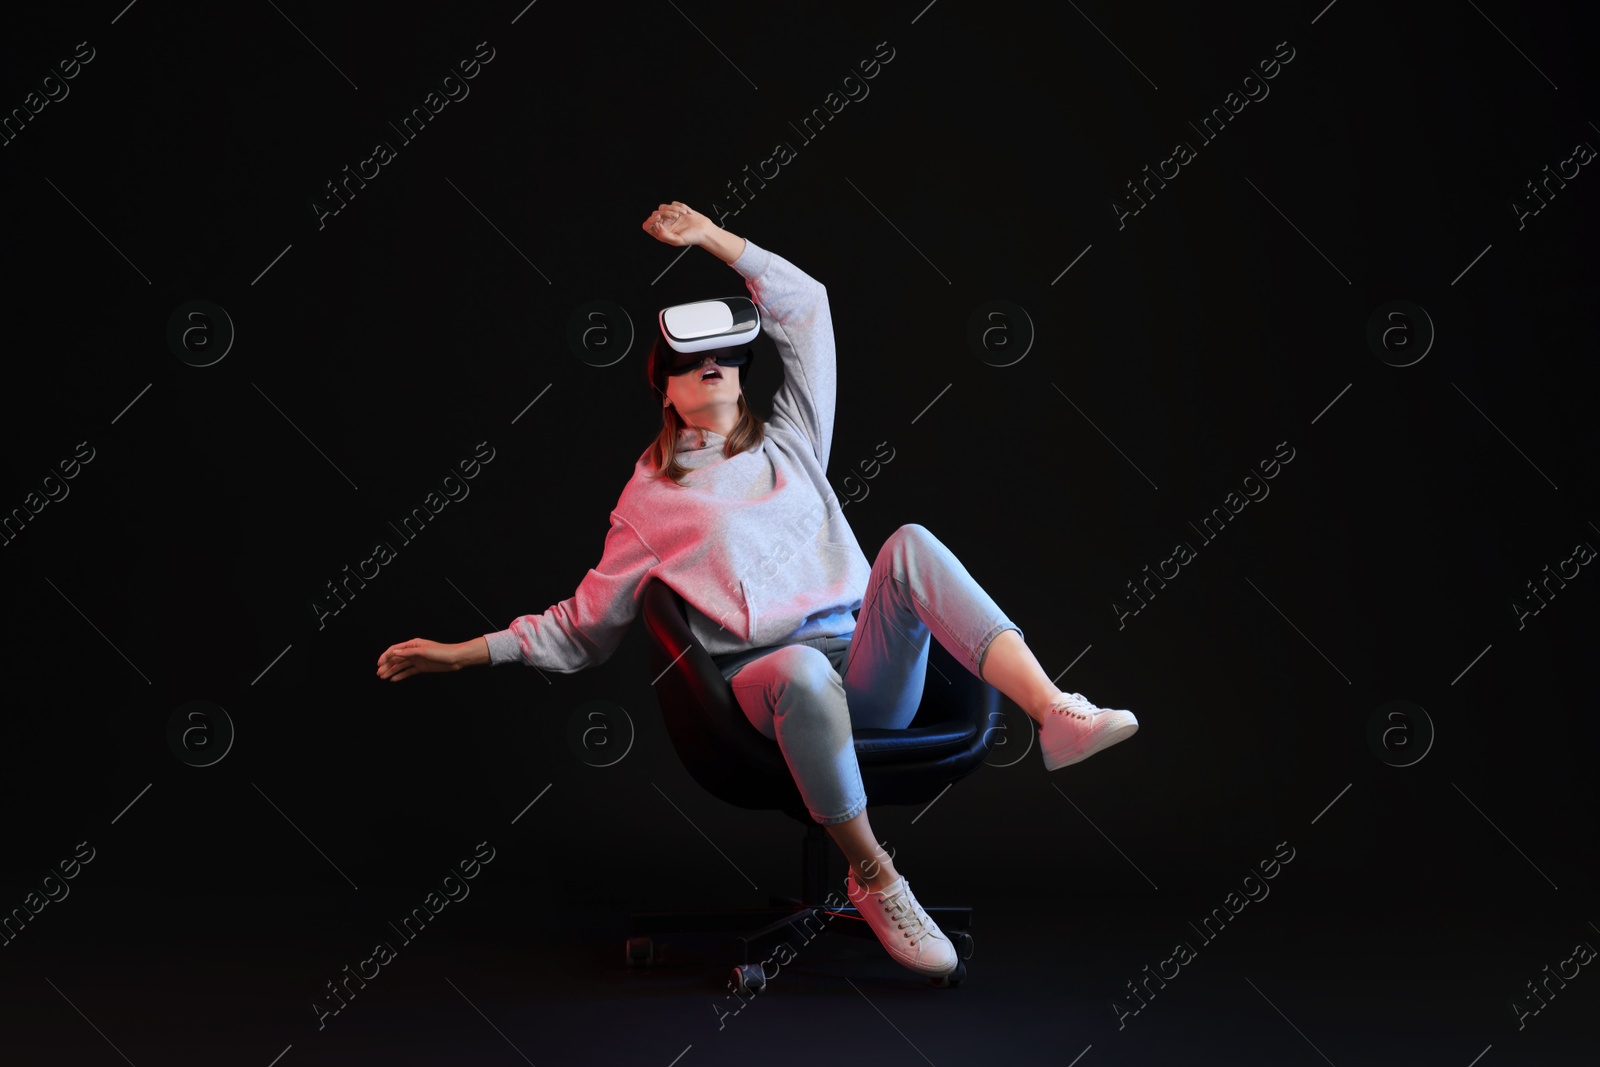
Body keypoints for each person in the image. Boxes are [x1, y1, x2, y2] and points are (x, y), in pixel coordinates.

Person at [375, 201, 1140, 979]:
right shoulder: (649, 501)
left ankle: (1054, 713)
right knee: (802, 672)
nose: (715, 367)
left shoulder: (793, 439)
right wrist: (461, 654)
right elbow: (579, 629)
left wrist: (712, 239)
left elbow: (806, 307)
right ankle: (876, 876)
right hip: (760, 688)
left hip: (861, 667)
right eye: (692, 362)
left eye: (729, 357)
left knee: (908, 545)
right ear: (664, 388)